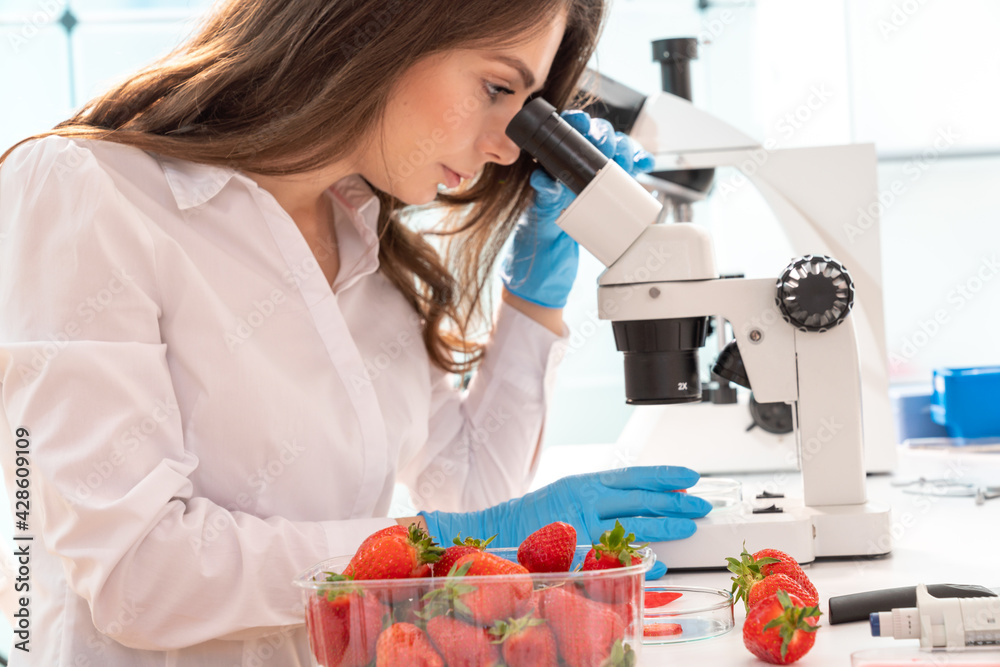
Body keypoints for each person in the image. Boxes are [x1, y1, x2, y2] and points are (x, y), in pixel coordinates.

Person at [0, 0, 711, 664]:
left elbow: (470, 490)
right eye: (497, 89)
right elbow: (139, 576)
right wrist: (451, 542)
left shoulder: (365, 242)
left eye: (527, 112)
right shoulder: (85, 190)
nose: (504, 148)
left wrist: (535, 296)